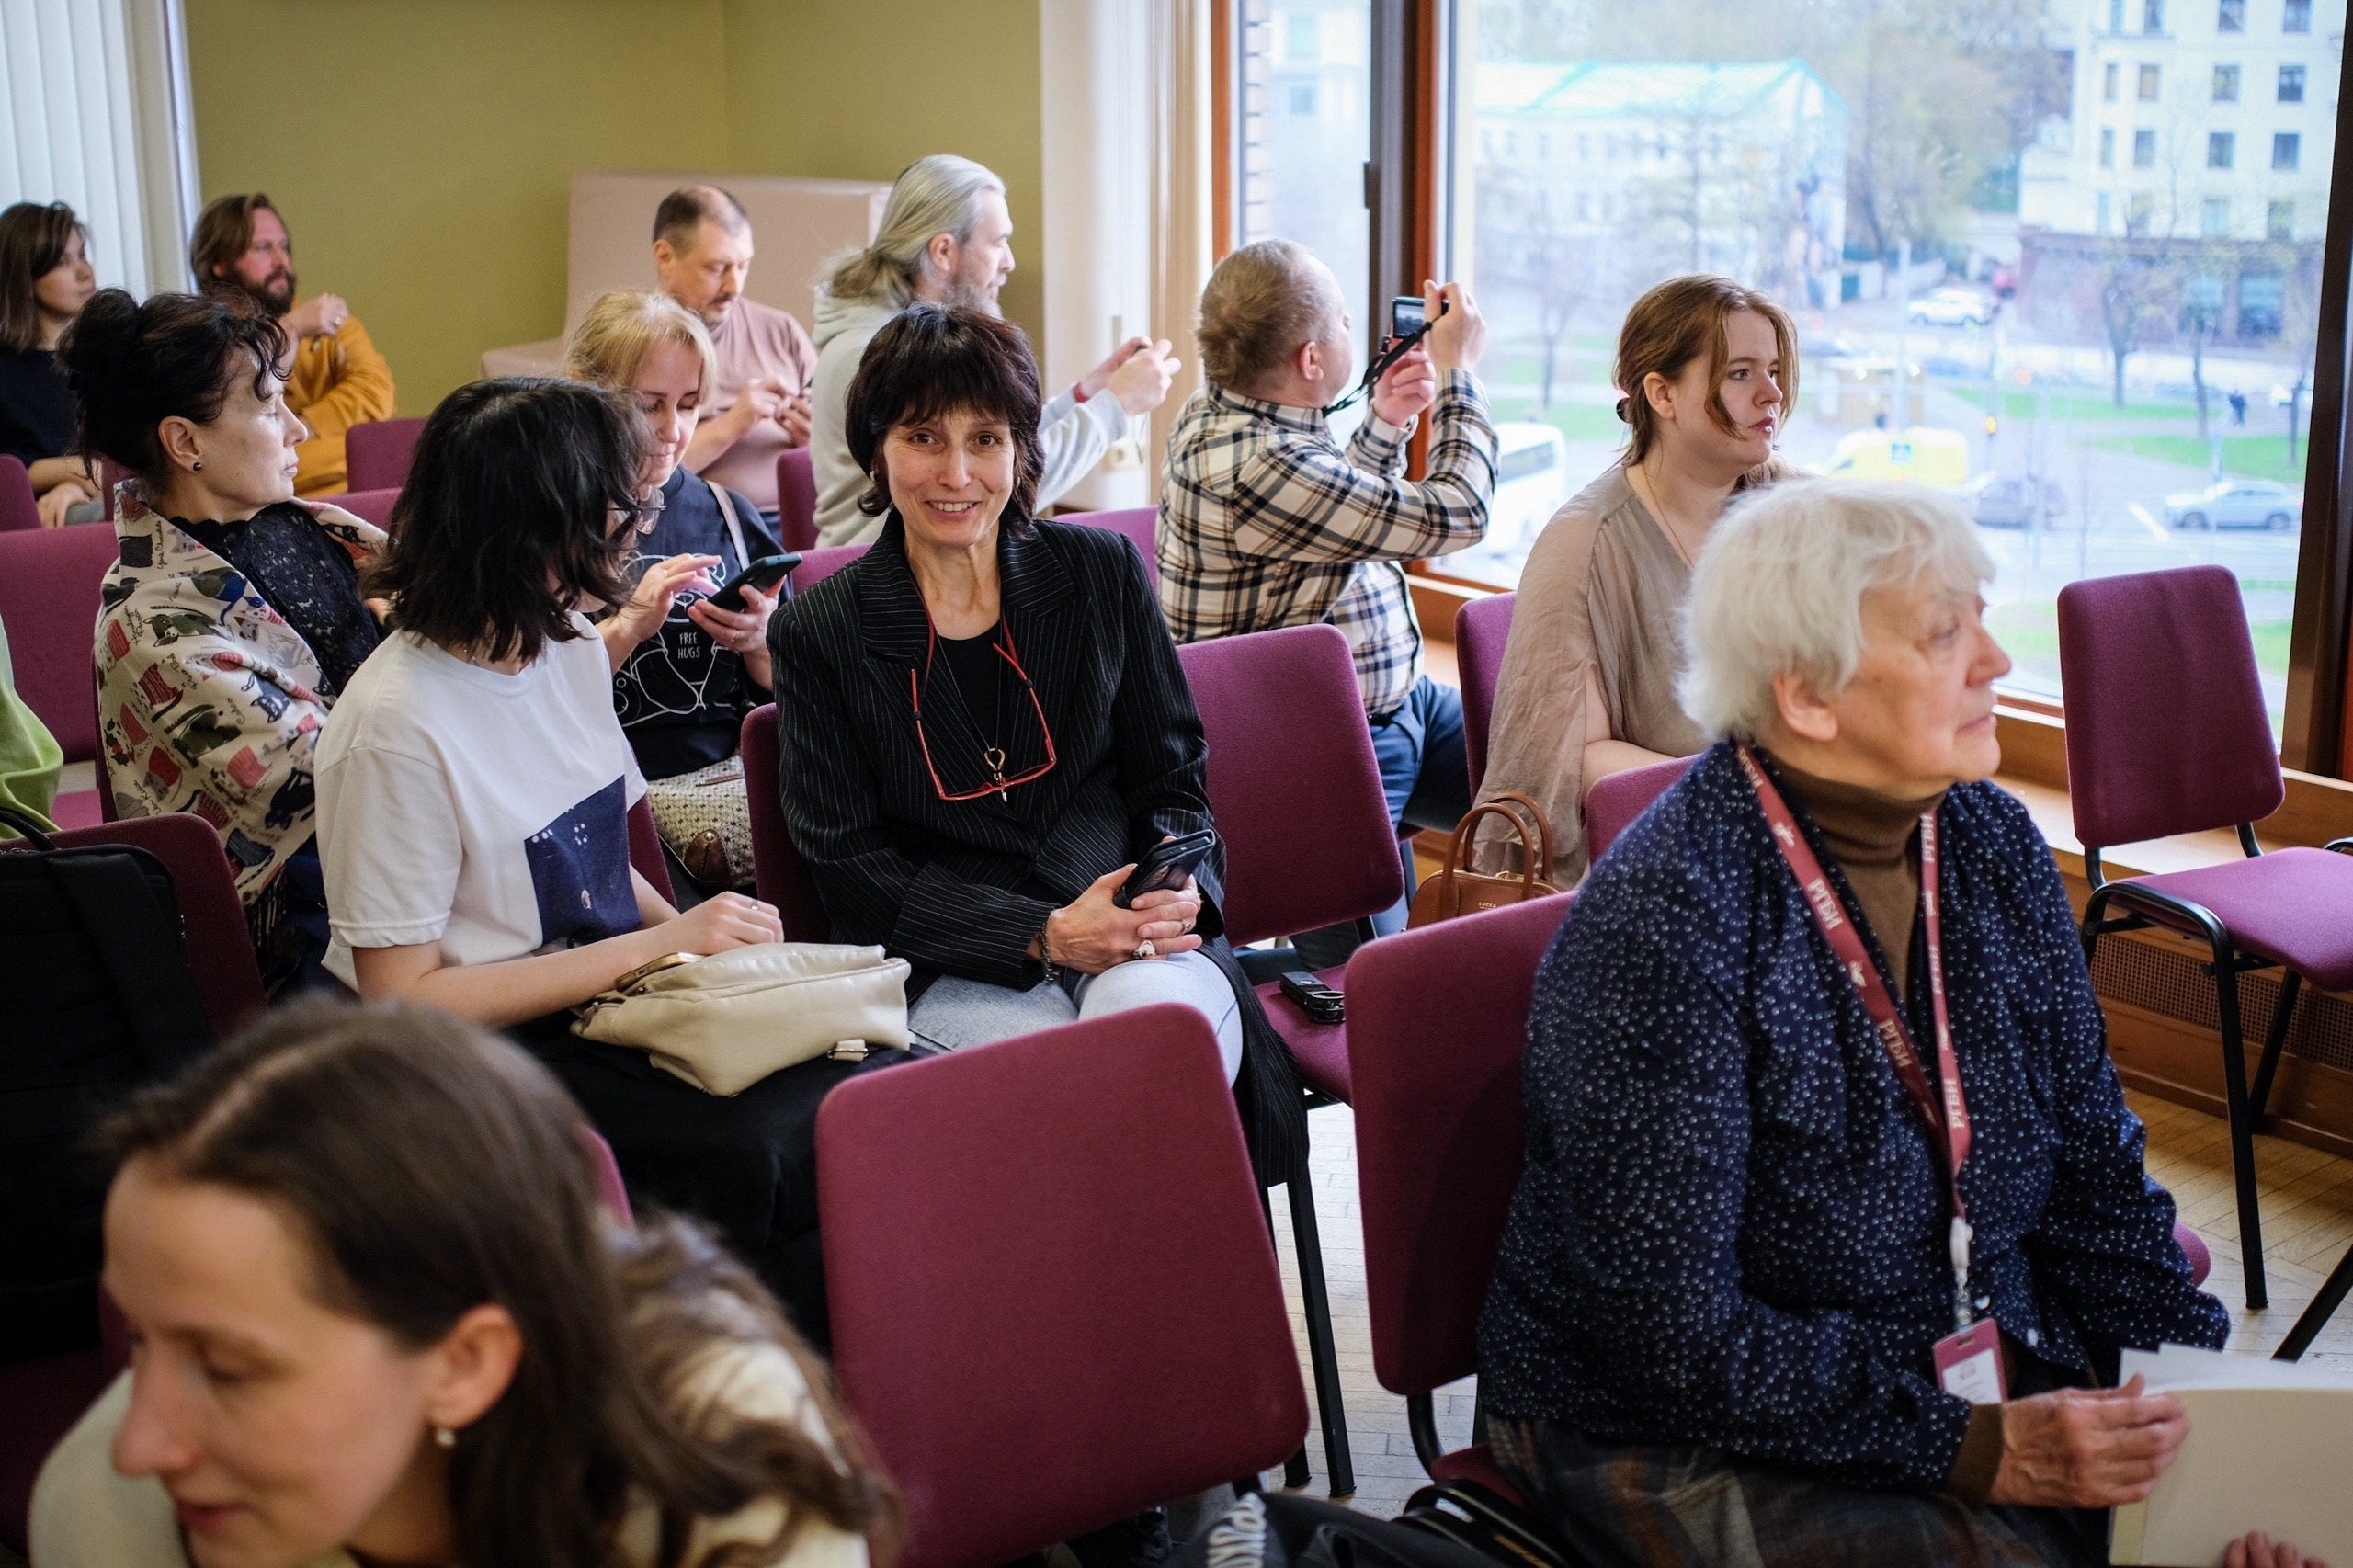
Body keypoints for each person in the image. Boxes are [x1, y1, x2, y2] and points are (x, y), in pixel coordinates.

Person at [1474, 480, 2317, 1568]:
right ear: (1810, 697)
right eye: (1943, 631)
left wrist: (2224, 1422)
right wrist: (1974, 1447)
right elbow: (1669, 1335)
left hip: (1960, 1349)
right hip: (1675, 1417)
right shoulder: (1668, 920)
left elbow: (2097, 1182)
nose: (1996, 662)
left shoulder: (1991, 840)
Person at [314, 375, 870, 1336]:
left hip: (608, 993)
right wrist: (668, 946)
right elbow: (402, 995)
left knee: (854, 1089)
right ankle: (746, 1401)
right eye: (617, 510)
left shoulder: (563, 639)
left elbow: (602, 866)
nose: (633, 527)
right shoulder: (394, 724)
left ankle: (874, 1382)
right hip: (482, 1052)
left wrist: (706, 944)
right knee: (762, 1148)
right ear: (530, 530)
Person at [30, 996, 899, 1568]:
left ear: (464, 1364)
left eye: (225, 1369)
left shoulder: (713, 1452)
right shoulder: (104, 1515)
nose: (137, 1445)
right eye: (142, 1341)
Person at [773, 302, 1303, 1170]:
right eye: (922, 438)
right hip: (960, 959)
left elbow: (1174, 780)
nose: (957, 473)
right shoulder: (822, 631)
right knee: (1070, 1111)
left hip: (1137, 928)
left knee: (1141, 1060)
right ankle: (1172, 1298)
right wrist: (1046, 933)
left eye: (985, 439)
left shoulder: (1096, 573)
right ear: (875, 450)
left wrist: (1175, 889)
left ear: (1022, 450)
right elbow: (851, 874)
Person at [1161, 239, 1494, 966]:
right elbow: (1460, 514)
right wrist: (1461, 375)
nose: (1357, 331)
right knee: (1372, 984)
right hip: (1314, 753)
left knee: (1541, 800)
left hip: (1397, 705)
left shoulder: (1232, 417)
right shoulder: (1255, 462)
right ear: (1312, 361)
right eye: (1345, 321)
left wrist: (1381, 424)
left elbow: (1323, 522)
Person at [64, 288, 382, 993]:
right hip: (312, 937)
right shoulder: (147, 623)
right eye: (271, 408)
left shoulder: (297, 525)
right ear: (185, 442)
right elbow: (334, 771)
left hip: (395, 861)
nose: (299, 429)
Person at [1473, 274, 1800, 882]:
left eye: (1775, 371)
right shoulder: (1585, 543)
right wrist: (1745, 799)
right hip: (1647, 871)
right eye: (1740, 373)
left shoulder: (1793, 507)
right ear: (1662, 394)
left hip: (1767, 852)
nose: (1771, 394)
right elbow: (1576, 759)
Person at [807, 154, 1176, 546]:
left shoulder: (908, 339)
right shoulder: (877, 355)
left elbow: (997, 438)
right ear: (943, 252)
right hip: (875, 584)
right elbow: (1000, 482)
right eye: (999, 242)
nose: (1009, 262)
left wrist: (1088, 393)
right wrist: (1115, 407)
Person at [569, 289, 782, 890]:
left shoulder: (728, 514)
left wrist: (762, 646)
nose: (674, 431)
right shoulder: (550, 524)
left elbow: (799, 691)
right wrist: (626, 625)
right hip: (601, 804)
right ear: (586, 392)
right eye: (648, 405)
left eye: (689, 405)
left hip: (730, 796)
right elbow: (521, 701)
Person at [190, 192, 395, 497]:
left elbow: (376, 392)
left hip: (350, 493)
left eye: (284, 247)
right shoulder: (196, 340)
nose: (281, 261)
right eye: (263, 248)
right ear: (218, 262)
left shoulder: (330, 322)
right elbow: (232, 454)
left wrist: (301, 427)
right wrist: (291, 329)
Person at [654, 185, 819, 517]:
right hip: (708, 536)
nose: (735, 287)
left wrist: (816, 442)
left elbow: (846, 457)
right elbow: (633, 481)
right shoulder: (639, 348)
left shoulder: (781, 330)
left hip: (808, 521)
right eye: (717, 268)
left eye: (743, 266)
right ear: (665, 257)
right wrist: (734, 424)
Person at [0, 199, 103, 526]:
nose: (85, 272)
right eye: (63, 262)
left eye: (83, 255)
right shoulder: (7, 372)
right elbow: (10, 466)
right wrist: (78, 473)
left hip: (100, 498)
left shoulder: (101, 358)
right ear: (25, 279)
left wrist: (76, 481)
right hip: (42, 519)